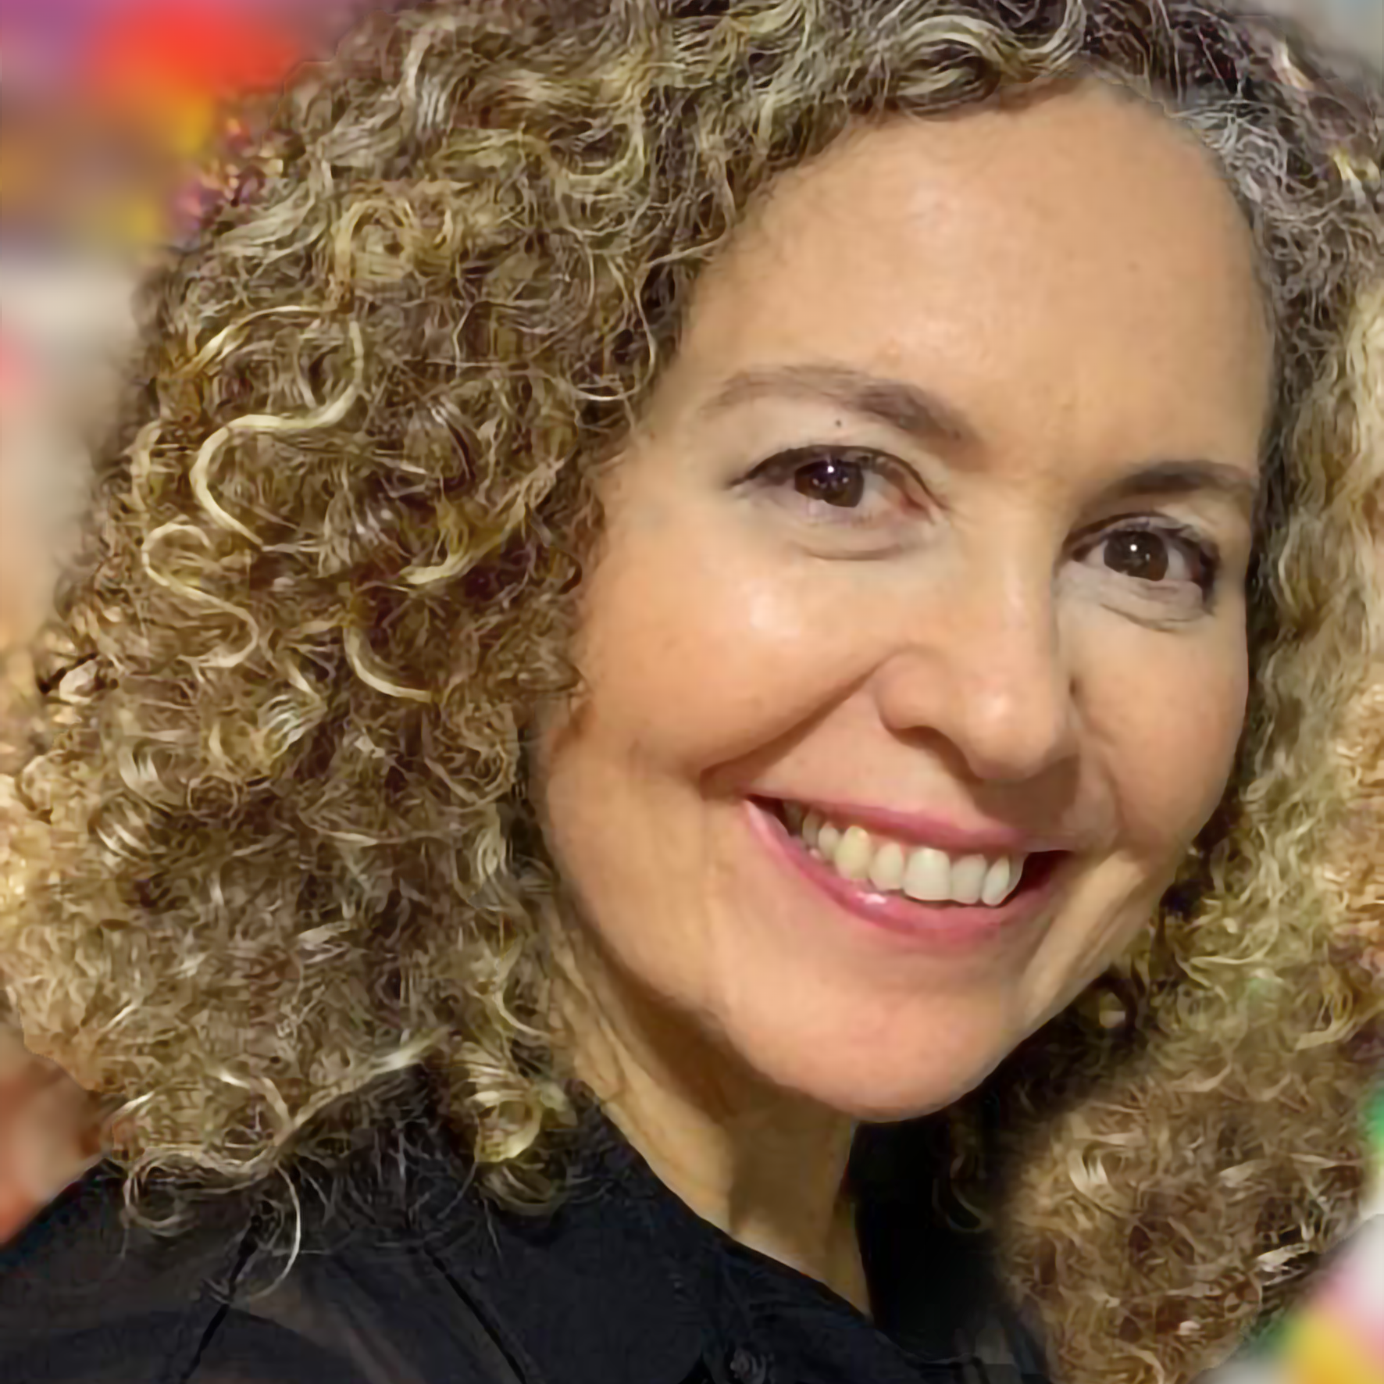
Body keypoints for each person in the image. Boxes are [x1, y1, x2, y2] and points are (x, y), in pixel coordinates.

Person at [0, 0, 1381, 1379]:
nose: (1013, 708)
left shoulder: (954, 1276)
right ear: (480, 527)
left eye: (1146, 552)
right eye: (836, 480)